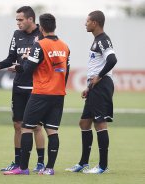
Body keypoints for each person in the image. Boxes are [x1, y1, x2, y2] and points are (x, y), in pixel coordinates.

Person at [3, 13, 70, 175]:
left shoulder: (40, 45)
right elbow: (66, 72)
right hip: (59, 93)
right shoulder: (64, 46)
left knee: (26, 128)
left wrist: (19, 66)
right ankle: (49, 168)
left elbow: (28, 69)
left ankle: (23, 168)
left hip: (41, 92)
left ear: (41, 27)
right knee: (52, 130)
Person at [0, 6, 45, 172]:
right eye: (17, 20)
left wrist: (23, 66)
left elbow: (43, 62)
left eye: (20, 20)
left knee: (36, 127)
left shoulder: (41, 35)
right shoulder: (16, 35)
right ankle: (18, 162)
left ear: (30, 19)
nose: (18, 23)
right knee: (17, 125)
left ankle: (40, 163)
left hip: (36, 87)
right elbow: (11, 58)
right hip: (19, 86)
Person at [65, 10, 117, 174]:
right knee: (84, 123)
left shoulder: (103, 40)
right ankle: (83, 163)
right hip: (95, 87)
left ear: (95, 23)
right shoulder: (96, 41)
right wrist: (88, 87)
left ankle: (103, 166)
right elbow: (98, 64)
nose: (85, 24)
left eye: (87, 21)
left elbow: (112, 59)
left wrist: (99, 77)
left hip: (102, 86)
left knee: (99, 123)